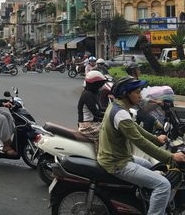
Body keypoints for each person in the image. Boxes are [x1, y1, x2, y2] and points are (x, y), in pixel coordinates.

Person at [98, 76, 185, 215]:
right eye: (137, 92)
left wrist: (156, 139)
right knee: (163, 185)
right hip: (117, 163)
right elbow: (140, 142)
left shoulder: (117, 106)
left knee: (152, 167)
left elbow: (137, 129)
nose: (140, 96)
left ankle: (144, 199)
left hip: (120, 157)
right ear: (126, 94)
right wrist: (171, 157)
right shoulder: (120, 114)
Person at [125, 63, 162, 133]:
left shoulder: (133, 80)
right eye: (138, 69)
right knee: (150, 119)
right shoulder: (131, 82)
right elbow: (140, 98)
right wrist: (155, 101)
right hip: (132, 108)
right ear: (133, 71)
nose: (140, 71)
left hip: (135, 107)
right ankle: (148, 138)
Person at [77, 70, 107, 150]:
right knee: (108, 135)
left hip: (93, 123)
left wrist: (111, 108)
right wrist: (110, 114)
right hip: (86, 126)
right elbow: (96, 113)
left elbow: (100, 109)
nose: (102, 86)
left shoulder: (93, 93)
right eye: (100, 84)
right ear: (95, 84)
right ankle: (102, 158)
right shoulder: (87, 95)